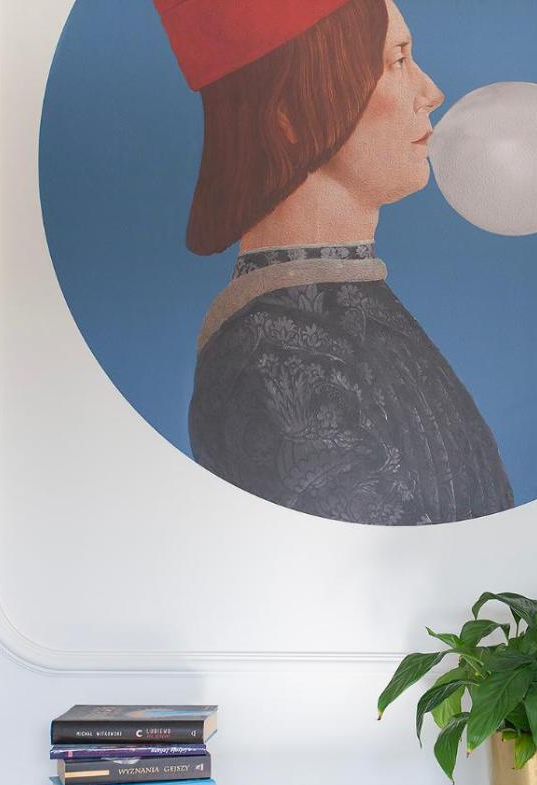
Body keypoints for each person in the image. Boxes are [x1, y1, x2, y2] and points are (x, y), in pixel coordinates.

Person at [155, 0, 514, 525]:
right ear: (289, 113)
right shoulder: (270, 358)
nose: (431, 91)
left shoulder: (344, 307)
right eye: (397, 60)